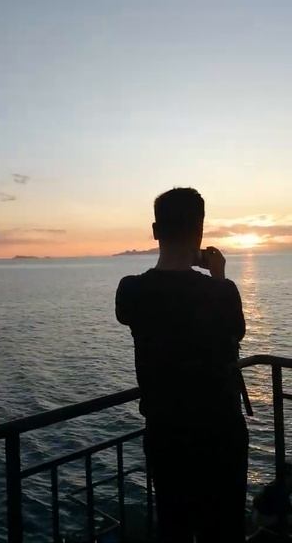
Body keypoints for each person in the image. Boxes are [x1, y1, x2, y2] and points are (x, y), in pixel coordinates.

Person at [115, 187, 249, 543]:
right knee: (225, 530)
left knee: (173, 528)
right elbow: (234, 333)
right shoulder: (221, 292)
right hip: (221, 432)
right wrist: (218, 275)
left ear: (156, 231)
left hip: (166, 434)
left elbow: (134, 313)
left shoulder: (131, 291)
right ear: (200, 231)